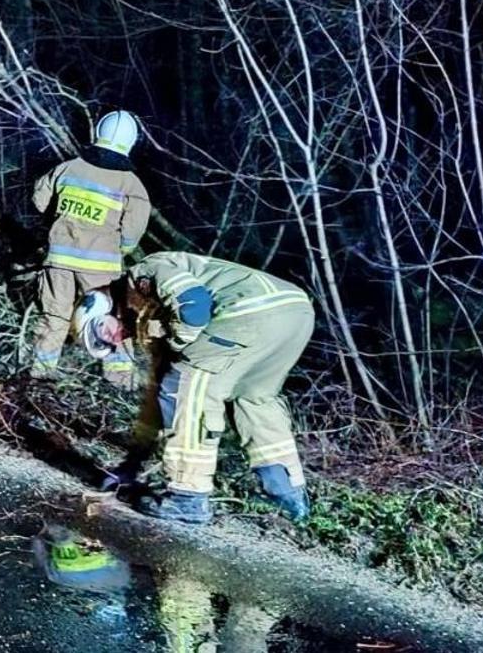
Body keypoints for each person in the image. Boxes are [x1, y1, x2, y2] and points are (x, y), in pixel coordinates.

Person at [78, 251, 313, 524]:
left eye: (102, 330)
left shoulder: (145, 271)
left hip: (249, 309)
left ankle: (188, 498)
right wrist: (131, 464)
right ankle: (289, 496)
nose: (115, 339)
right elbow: (158, 399)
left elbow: (194, 307)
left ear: (102, 305)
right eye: (108, 343)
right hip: (296, 312)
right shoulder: (147, 321)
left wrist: (180, 344)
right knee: (254, 398)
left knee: (187, 384)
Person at [28, 111, 151, 385]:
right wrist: (123, 249)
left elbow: (39, 200)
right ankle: (119, 382)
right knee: (111, 321)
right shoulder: (132, 185)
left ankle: (39, 376)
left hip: (58, 261)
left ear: (99, 134)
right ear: (131, 142)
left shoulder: (68, 168)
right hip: (101, 269)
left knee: (53, 317)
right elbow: (132, 232)